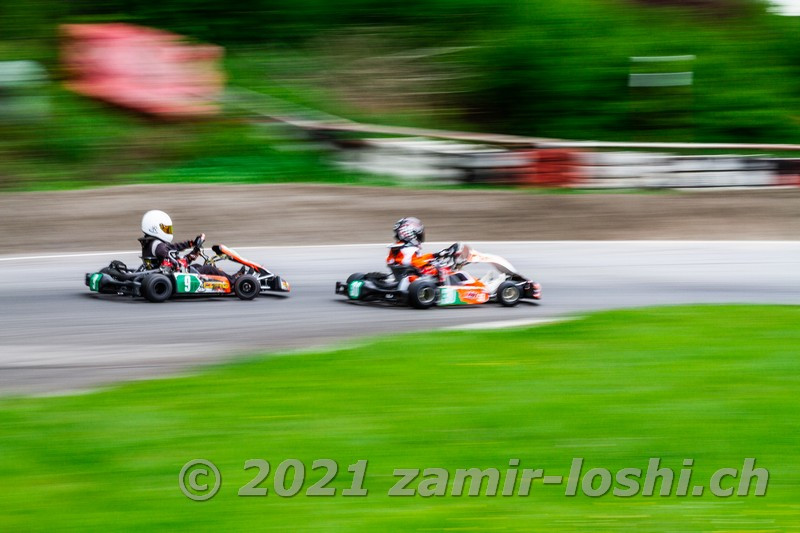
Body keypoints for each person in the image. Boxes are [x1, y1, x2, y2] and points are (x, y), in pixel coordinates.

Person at [139, 210, 234, 280]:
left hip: (162, 274)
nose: (168, 231)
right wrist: (191, 255)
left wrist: (191, 244)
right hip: (170, 276)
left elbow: (174, 247)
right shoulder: (159, 247)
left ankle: (227, 278)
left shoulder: (152, 243)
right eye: (166, 229)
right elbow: (177, 265)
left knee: (197, 266)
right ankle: (234, 281)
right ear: (155, 228)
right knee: (209, 268)